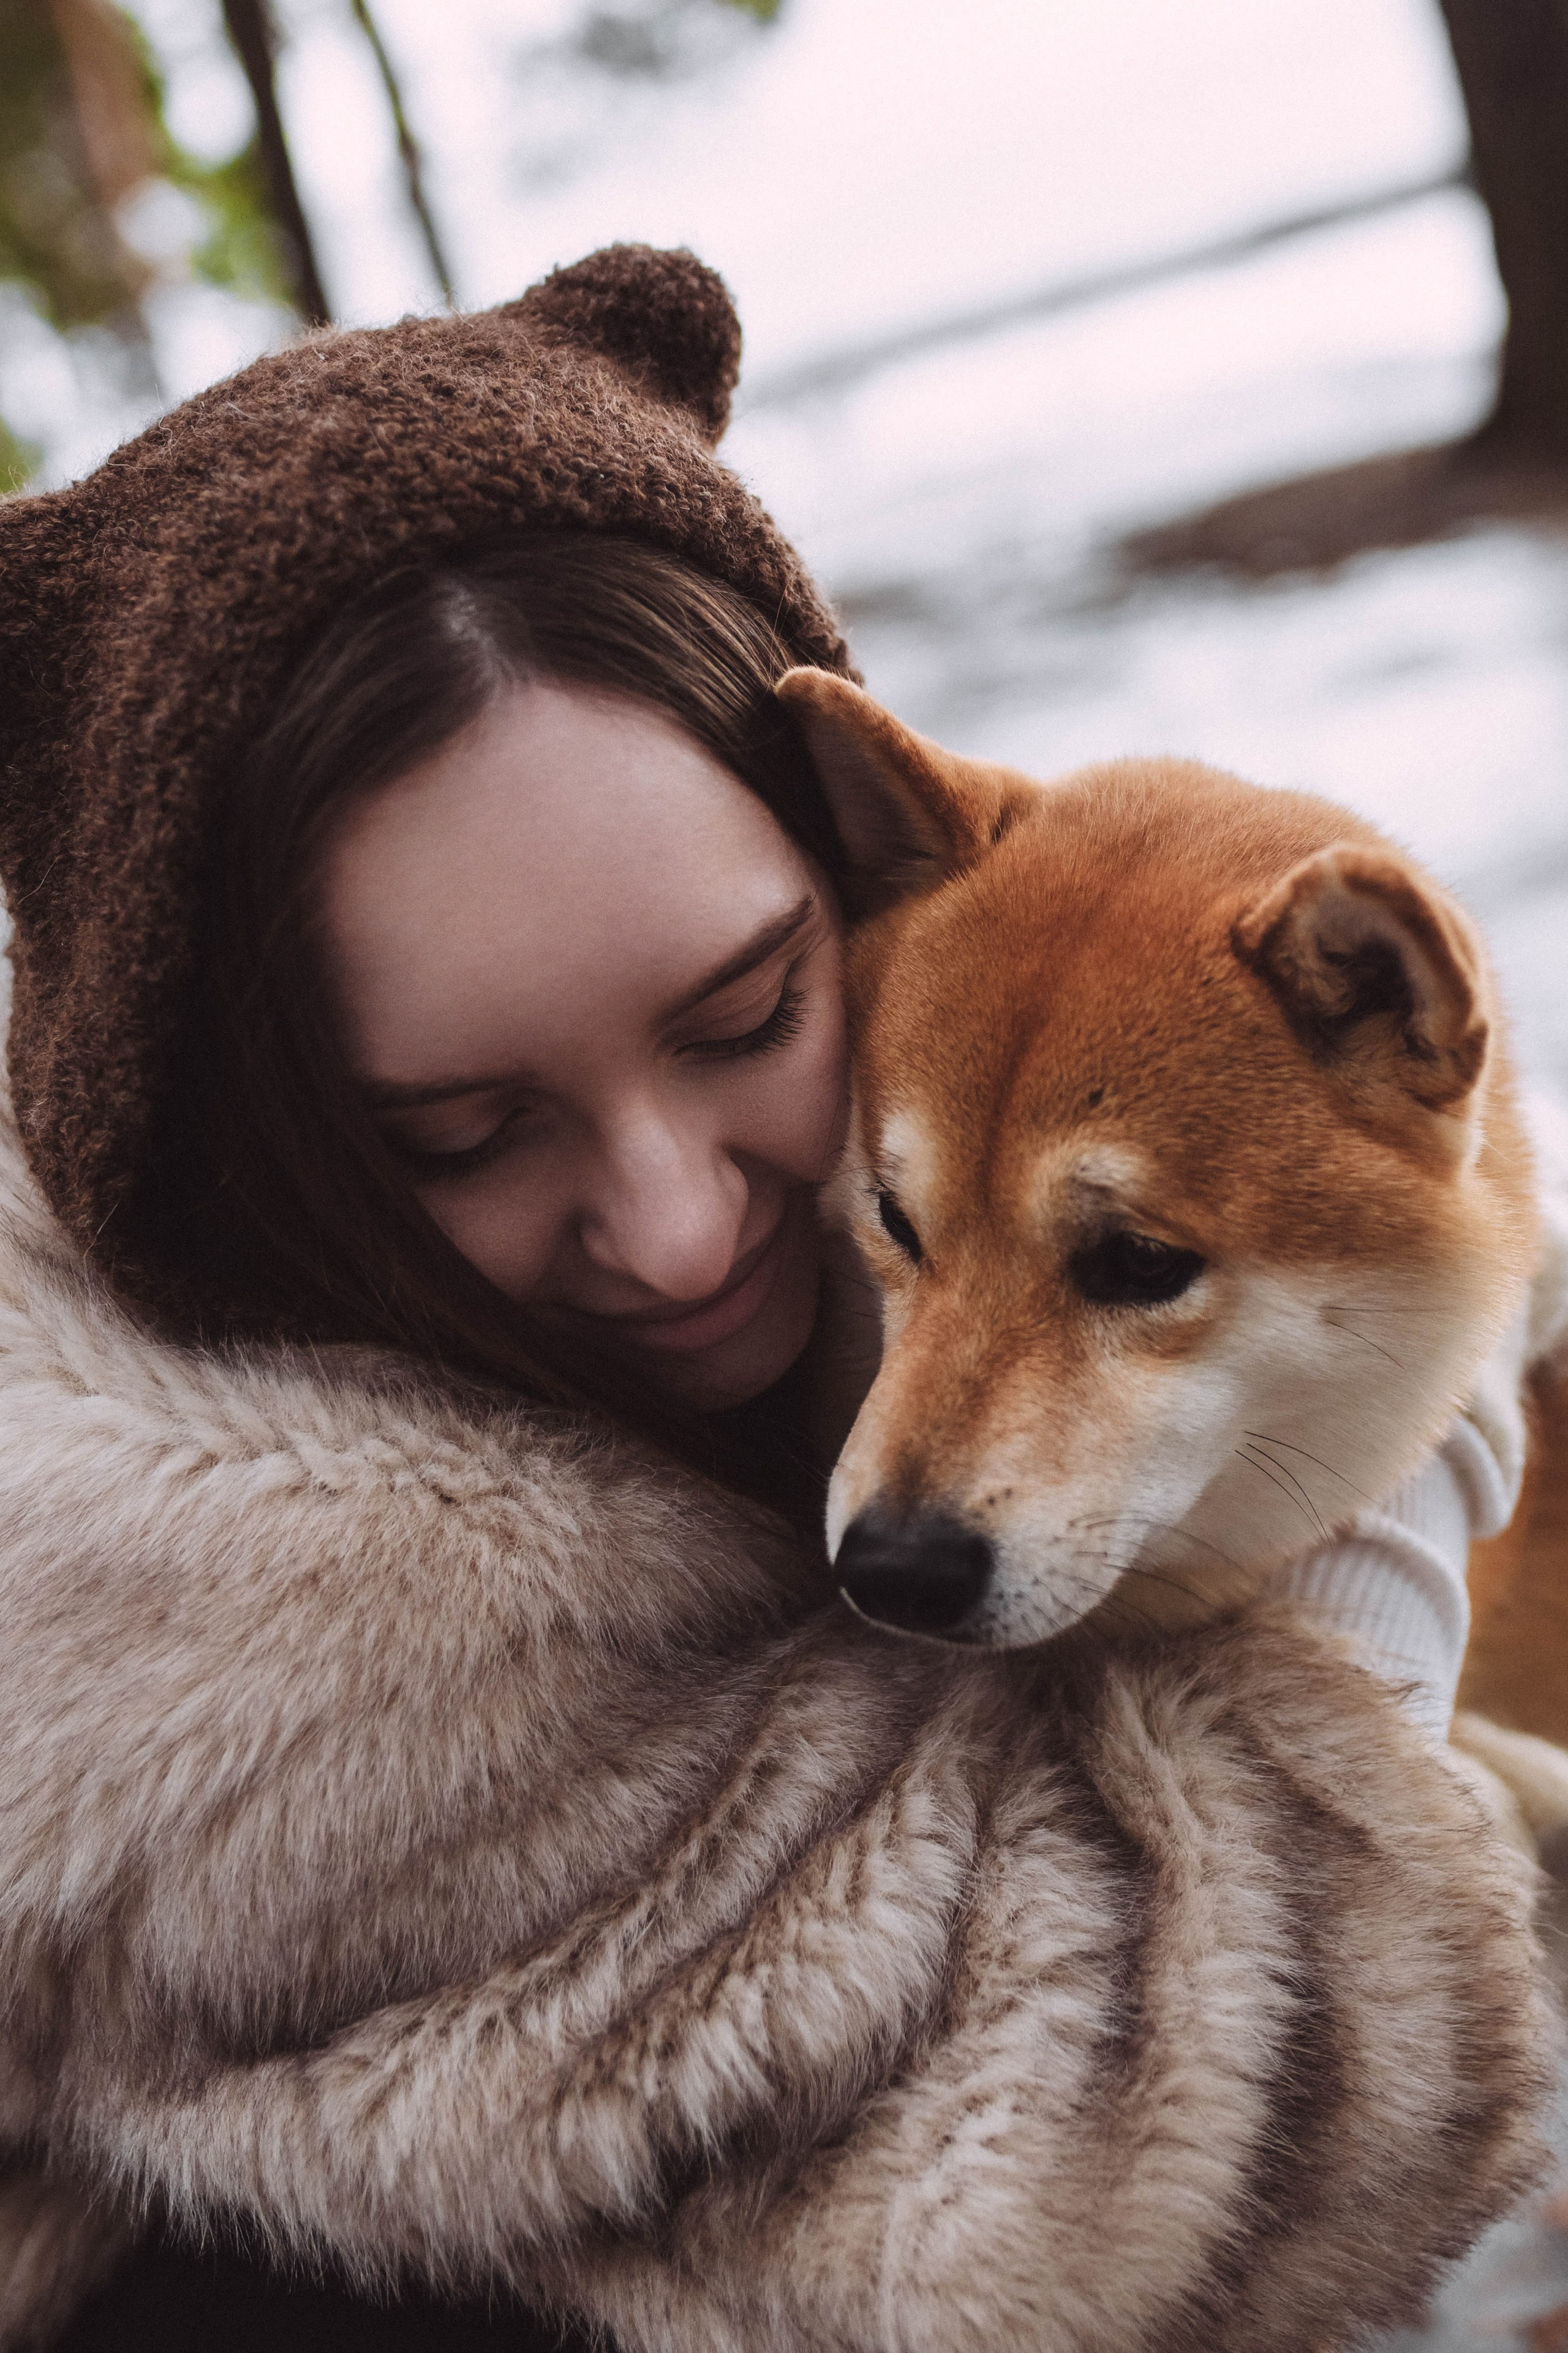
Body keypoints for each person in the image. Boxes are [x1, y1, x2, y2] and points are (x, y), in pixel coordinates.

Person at [0, 244, 1554, 2353]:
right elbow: (1206, 2137)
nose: (674, 1227)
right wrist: (1393, 1489)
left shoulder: (988, 1037)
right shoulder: (234, 1671)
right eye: (463, 1132)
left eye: (745, 1009)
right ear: (240, 1147)